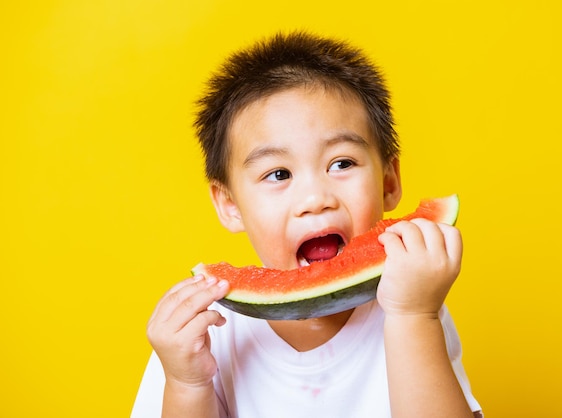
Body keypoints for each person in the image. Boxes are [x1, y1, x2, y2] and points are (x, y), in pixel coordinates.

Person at [132, 31, 482, 418]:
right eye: (279, 173)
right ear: (229, 204)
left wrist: (415, 317)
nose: (316, 199)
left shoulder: (411, 303)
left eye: (342, 163)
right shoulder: (204, 335)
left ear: (389, 182)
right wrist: (187, 384)